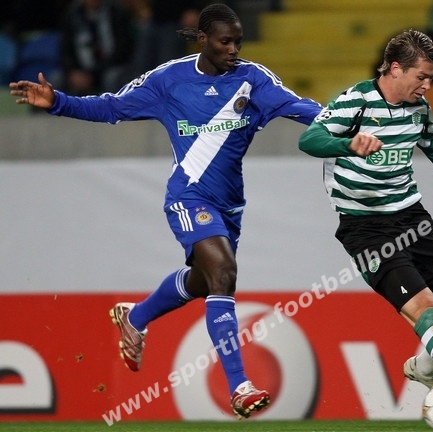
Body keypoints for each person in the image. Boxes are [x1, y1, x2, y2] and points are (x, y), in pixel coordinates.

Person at [9, 3, 322, 419]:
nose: (233, 50)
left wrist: (351, 126)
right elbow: (113, 107)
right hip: (188, 197)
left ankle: (137, 316)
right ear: (203, 39)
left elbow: (304, 109)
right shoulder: (169, 80)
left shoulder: (253, 79)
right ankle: (239, 387)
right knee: (223, 273)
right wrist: (59, 102)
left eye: (238, 42)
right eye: (225, 42)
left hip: (230, 204)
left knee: (203, 280)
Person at [298, 29, 433, 427]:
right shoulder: (356, 101)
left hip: (413, 220)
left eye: (431, 77)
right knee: (426, 312)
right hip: (366, 229)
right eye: (422, 76)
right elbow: (310, 138)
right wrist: (348, 145)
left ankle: (426, 366)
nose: (428, 85)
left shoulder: (418, 108)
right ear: (396, 69)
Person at [60, 0, 136, 95]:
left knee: (111, 77)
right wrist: (73, 71)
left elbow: (122, 50)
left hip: (110, 66)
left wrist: (93, 75)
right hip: (81, 69)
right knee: (57, 80)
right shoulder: (72, 14)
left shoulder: (115, 12)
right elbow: (65, 50)